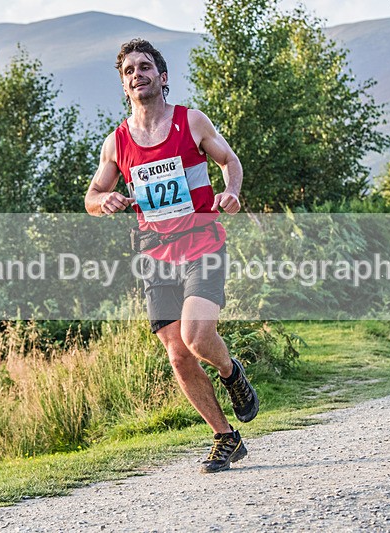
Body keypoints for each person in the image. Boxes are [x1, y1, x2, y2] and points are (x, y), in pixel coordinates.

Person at [85, 38, 258, 473]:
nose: (136, 74)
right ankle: (225, 437)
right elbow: (92, 194)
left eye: (145, 67)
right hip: (155, 252)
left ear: (163, 78)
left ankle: (231, 372)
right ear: (124, 85)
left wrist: (232, 192)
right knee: (177, 353)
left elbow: (229, 160)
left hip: (202, 242)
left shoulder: (191, 121)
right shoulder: (117, 142)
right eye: (128, 70)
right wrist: (102, 202)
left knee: (198, 337)